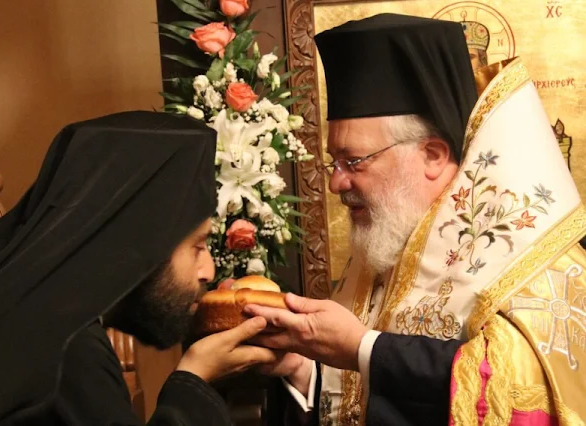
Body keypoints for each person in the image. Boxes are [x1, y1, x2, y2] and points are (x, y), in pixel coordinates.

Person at [248, 13, 586, 425]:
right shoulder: (388, 238)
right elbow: (359, 398)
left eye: (354, 161)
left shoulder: (531, 260)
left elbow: (516, 390)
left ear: (432, 155)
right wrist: (304, 371)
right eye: (333, 162)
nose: (336, 183)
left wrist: (364, 349)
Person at [0, 111, 277, 425]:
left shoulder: (35, 308)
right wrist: (194, 378)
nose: (207, 271)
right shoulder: (69, 351)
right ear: (142, 245)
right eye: (197, 247)